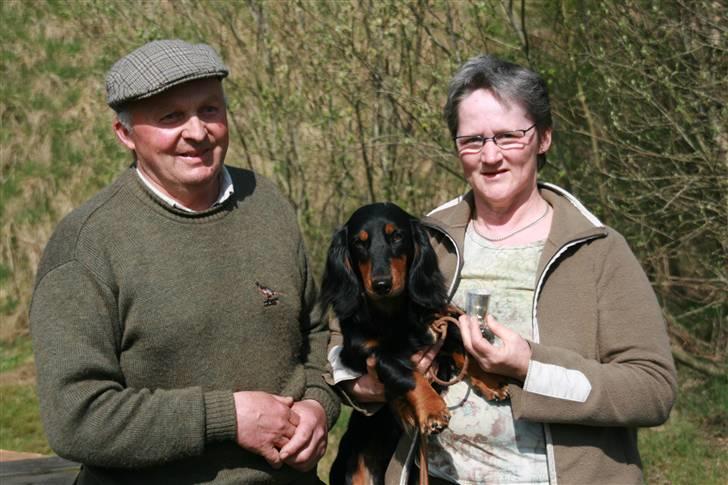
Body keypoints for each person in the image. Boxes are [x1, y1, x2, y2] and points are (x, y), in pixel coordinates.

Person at [328, 54, 677, 484]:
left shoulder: (598, 251)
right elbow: (341, 337)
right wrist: (365, 387)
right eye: (472, 140)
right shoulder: (427, 241)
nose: (490, 156)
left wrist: (530, 367)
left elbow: (653, 390)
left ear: (544, 137)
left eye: (509, 136)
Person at [29, 39, 339, 484]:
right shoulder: (87, 245)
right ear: (125, 134)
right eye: (170, 117)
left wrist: (316, 403)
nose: (197, 132)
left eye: (209, 109)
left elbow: (316, 332)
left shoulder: (265, 202)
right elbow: (76, 417)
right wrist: (226, 417)